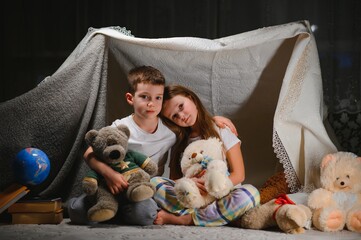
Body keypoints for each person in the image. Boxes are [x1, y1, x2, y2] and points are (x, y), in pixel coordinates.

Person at [68, 66, 237, 225]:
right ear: (130, 98)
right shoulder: (120, 126)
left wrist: (214, 119)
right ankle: (106, 207)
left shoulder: (171, 130)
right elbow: (89, 152)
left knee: (146, 213)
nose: (151, 103)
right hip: (111, 184)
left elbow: (191, 123)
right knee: (76, 211)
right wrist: (109, 174)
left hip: (142, 190)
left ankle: (115, 213)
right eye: (144, 97)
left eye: (158, 98)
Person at [151, 84, 260, 226]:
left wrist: (212, 189)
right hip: (193, 197)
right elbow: (175, 180)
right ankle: (216, 217)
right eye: (175, 116)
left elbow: (239, 174)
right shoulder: (178, 143)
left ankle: (187, 219)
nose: (182, 116)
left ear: (191, 99)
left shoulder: (221, 130)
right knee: (154, 184)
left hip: (223, 194)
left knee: (250, 195)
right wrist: (190, 183)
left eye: (181, 107)